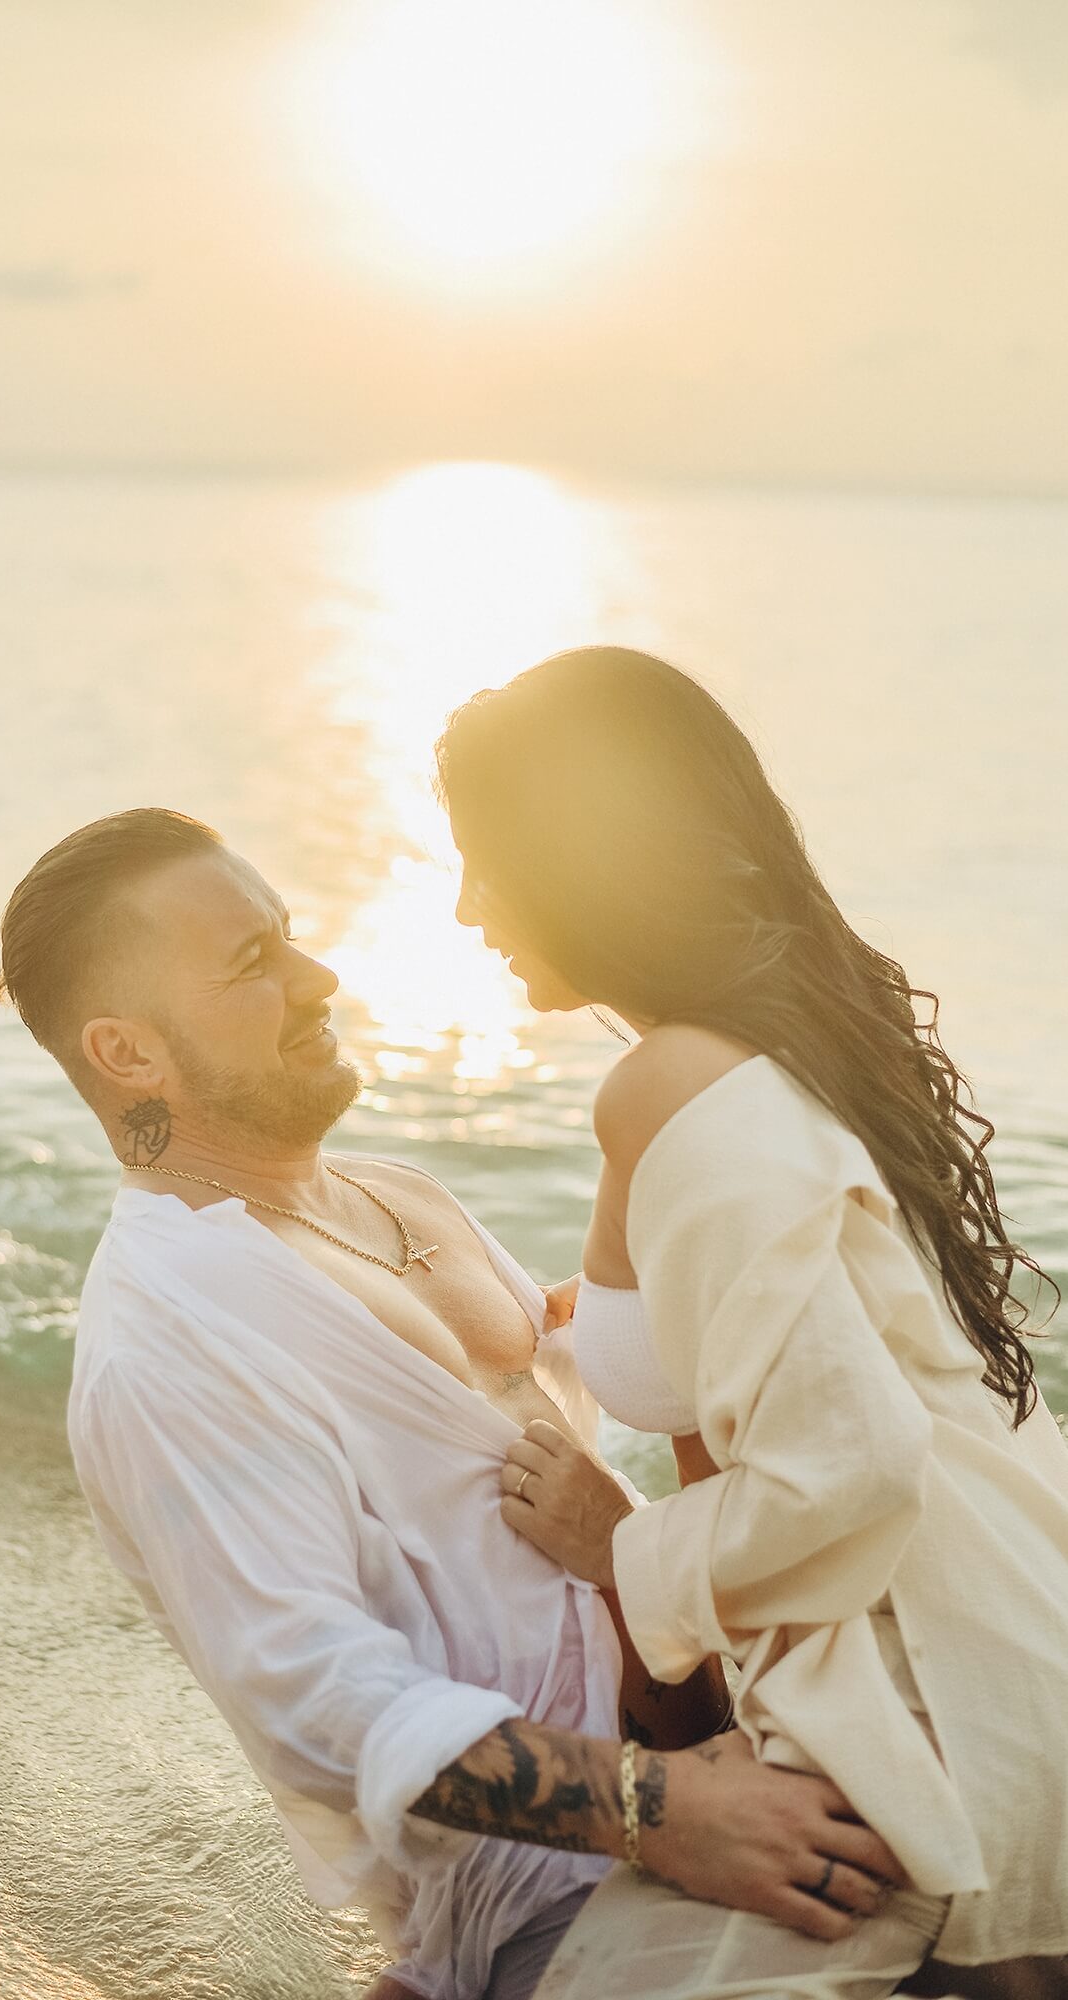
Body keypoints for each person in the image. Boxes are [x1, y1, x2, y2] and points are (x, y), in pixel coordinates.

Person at [0, 807, 906, 2000]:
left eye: (291, 936)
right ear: (129, 1054)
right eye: (251, 965)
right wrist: (670, 1812)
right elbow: (313, 1692)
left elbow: (584, 1409)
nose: (318, 977)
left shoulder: (392, 1192)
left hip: (710, 1731)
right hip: (560, 1878)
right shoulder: (169, 1333)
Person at [436, 646, 1068, 1998]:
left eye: (485, 860)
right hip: (1001, 1638)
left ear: (581, 859)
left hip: (917, 1693)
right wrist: (583, 1322)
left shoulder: (665, 1079)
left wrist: (623, 1550)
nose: (463, 905)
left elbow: (851, 1459)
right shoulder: (787, 1040)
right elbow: (803, 1322)